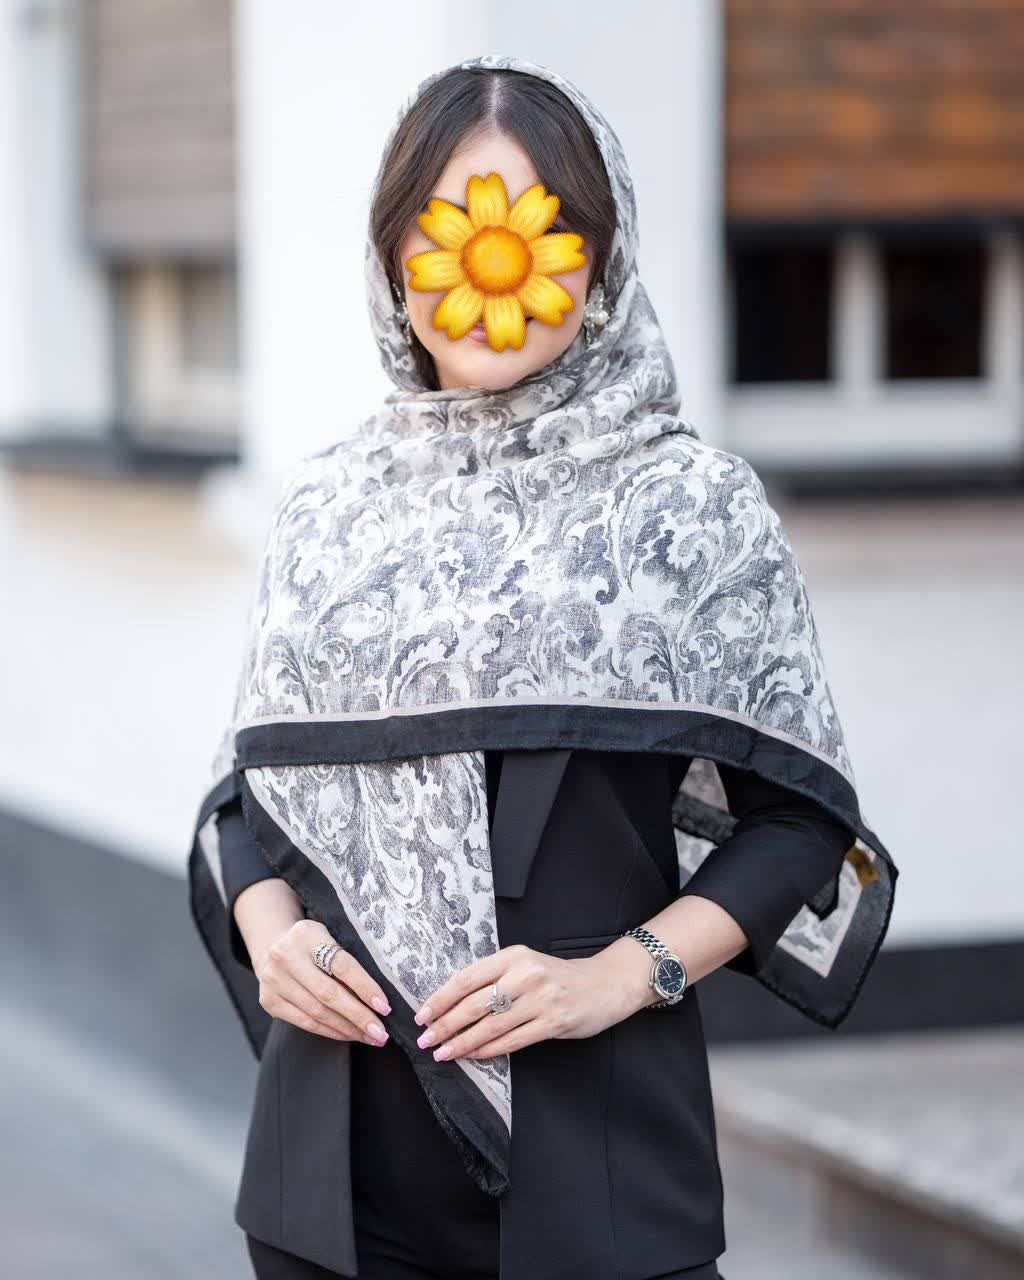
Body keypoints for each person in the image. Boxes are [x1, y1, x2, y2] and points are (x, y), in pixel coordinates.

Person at [186, 54, 897, 1280]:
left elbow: (797, 823)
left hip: (600, 1169)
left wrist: (620, 975)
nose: (488, 266)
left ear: (601, 258)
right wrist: (270, 931)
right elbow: (249, 799)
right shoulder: (329, 510)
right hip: (330, 1186)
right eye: (448, 228)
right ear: (390, 258)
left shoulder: (691, 511)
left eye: (534, 227)